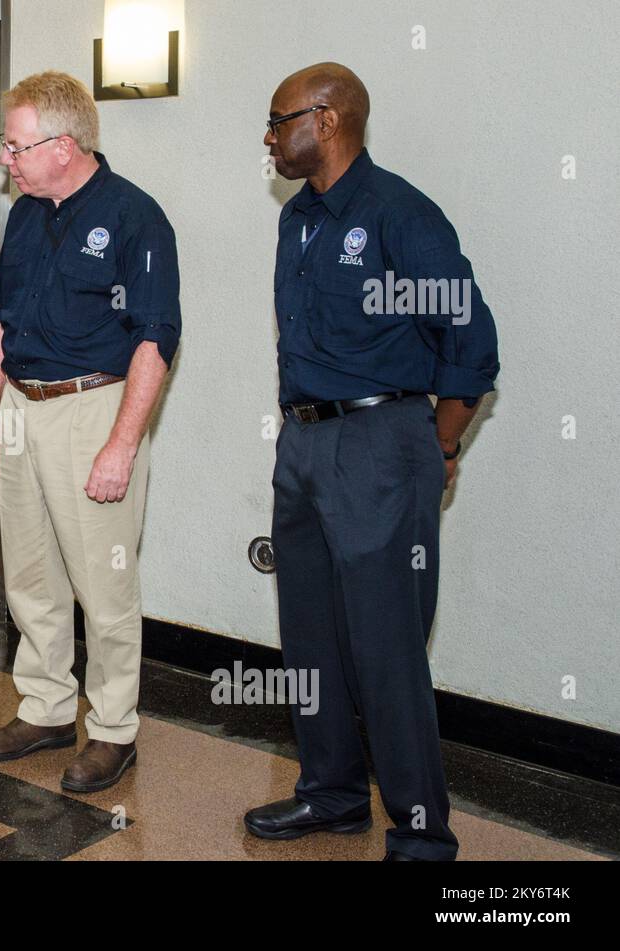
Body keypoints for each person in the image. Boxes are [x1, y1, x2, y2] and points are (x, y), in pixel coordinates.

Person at [244, 63, 500, 860]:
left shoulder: (399, 215)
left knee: (388, 648)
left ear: (326, 119)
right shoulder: (300, 221)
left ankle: (422, 835)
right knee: (310, 635)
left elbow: (471, 349)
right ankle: (332, 794)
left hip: (381, 441)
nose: (269, 136)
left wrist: (440, 443)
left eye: (279, 119)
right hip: (304, 442)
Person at [0, 71, 180, 793]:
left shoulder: (134, 218)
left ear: (63, 146)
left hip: (96, 409)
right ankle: (48, 706)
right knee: (31, 575)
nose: (6, 158)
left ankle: (114, 729)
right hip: (24, 406)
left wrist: (121, 444)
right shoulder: (26, 214)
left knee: (104, 583)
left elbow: (156, 337)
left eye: (16, 144)